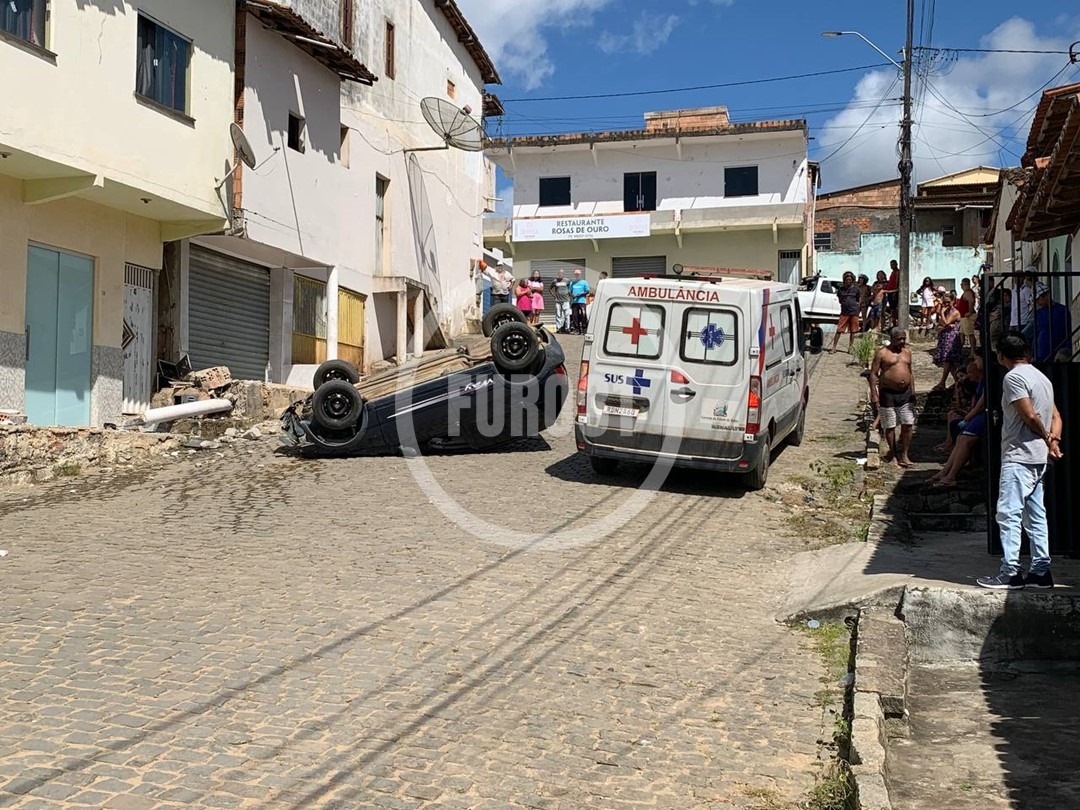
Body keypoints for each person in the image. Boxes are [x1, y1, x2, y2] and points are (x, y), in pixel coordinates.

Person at [977, 334, 1064, 590]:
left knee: (1008, 512)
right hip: (1038, 457)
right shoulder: (1042, 378)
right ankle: (1040, 571)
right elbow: (1056, 415)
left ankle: (1010, 571)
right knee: (1036, 515)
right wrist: (1054, 440)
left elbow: (1029, 415)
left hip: (1020, 454)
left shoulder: (1014, 378)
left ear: (1001, 356)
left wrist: (1048, 438)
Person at [929, 356, 986, 488]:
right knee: (961, 438)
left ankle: (951, 475)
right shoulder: (978, 382)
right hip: (976, 414)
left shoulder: (985, 379)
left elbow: (983, 400)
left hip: (980, 414)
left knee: (965, 439)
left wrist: (971, 414)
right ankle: (945, 471)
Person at [870, 327, 916, 468]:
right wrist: (874, 393)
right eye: (899, 339)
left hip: (905, 393)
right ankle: (893, 454)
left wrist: (913, 391)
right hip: (888, 393)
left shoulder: (907, 353)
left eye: (903, 339)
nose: (902, 342)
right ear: (892, 339)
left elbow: (910, 372)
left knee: (908, 424)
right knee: (889, 425)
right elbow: (873, 374)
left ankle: (904, 455)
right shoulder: (882, 353)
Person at [1032, 282, 1073, 362]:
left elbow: (1068, 332)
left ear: (1046, 296)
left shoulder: (1062, 310)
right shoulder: (1038, 313)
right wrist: (1033, 353)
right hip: (1041, 353)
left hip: (1057, 352)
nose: (1037, 302)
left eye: (1038, 299)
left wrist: (1066, 350)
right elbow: (1036, 334)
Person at [931, 291, 963, 391]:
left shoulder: (955, 312)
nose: (945, 305)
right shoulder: (946, 312)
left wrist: (941, 314)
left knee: (947, 360)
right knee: (950, 364)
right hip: (945, 337)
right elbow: (939, 325)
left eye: (948, 302)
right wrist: (944, 324)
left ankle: (942, 382)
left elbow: (945, 322)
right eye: (944, 302)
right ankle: (959, 383)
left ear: (953, 301)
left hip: (951, 338)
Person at [829, 271, 861, 354]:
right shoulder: (841, 289)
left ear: (852, 280)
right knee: (839, 330)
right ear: (844, 280)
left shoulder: (856, 289)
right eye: (847, 279)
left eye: (850, 279)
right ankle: (834, 348)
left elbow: (858, 299)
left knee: (853, 331)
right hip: (844, 312)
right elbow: (840, 299)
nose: (848, 281)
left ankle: (850, 348)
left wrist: (856, 307)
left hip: (854, 312)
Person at [957, 277, 978, 351]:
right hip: (963, 317)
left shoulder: (968, 292)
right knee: (962, 333)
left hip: (968, 316)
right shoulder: (966, 292)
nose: (962, 286)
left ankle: (973, 351)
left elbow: (971, 301)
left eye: (964, 284)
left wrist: (970, 312)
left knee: (970, 334)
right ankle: (960, 349)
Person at [549, 269, 571, 334]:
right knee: (558, 315)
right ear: (558, 274)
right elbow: (550, 289)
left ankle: (567, 328)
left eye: (562, 273)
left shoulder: (567, 280)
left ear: (563, 274)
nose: (560, 274)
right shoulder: (555, 281)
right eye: (559, 273)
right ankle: (559, 328)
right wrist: (554, 296)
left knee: (567, 315)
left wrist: (569, 295)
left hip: (566, 300)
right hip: (558, 301)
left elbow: (570, 288)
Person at [569, 269, 590, 334]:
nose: (577, 275)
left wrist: (580, 294)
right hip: (574, 302)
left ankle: (584, 329)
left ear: (580, 275)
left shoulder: (584, 282)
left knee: (583, 315)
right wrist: (572, 295)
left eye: (578, 274)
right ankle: (577, 329)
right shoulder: (572, 283)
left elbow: (587, 291)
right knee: (575, 316)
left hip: (582, 301)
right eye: (576, 274)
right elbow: (569, 292)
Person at [884, 259, 900, 327]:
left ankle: (896, 323)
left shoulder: (898, 272)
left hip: (894, 292)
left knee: (894, 309)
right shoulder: (892, 272)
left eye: (893, 264)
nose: (892, 266)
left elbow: (896, 282)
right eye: (891, 265)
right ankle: (893, 323)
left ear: (896, 264)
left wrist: (895, 291)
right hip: (890, 292)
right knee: (891, 309)